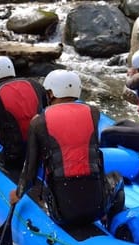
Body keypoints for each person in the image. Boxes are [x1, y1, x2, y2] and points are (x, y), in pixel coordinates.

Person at [10, 70, 124, 227]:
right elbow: (96, 157)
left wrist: (18, 193)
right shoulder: (93, 113)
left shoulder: (38, 122)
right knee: (117, 177)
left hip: (62, 214)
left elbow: (30, 171)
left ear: (50, 93)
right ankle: (110, 223)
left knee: (44, 186)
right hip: (97, 209)